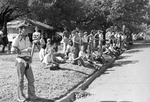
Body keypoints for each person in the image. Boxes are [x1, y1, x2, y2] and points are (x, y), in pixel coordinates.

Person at [11, 25, 37, 101]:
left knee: (31, 79)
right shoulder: (17, 39)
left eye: (27, 29)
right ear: (20, 30)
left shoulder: (28, 38)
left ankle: (32, 96)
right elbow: (12, 51)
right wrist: (24, 50)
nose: (26, 30)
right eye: (24, 29)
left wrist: (30, 55)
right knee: (21, 80)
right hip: (20, 61)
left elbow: (29, 48)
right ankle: (20, 96)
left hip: (27, 61)